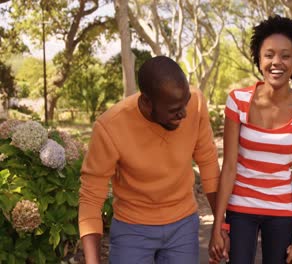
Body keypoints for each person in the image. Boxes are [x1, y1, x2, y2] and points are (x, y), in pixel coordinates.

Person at [78, 56, 220, 263]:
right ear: (146, 102)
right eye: (173, 110)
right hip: (131, 229)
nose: (183, 114)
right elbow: (91, 197)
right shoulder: (110, 127)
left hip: (183, 225)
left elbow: (207, 162)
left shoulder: (196, 103)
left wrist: (220, 225)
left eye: (185, 103)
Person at [209, 15, 292, 264]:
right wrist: (218, 226)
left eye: (285, 56)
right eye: (269, 54)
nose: (276, 62)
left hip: (282, 210)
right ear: (259, 59)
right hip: (240, 208)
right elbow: (228, 166)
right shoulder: (237, 101)